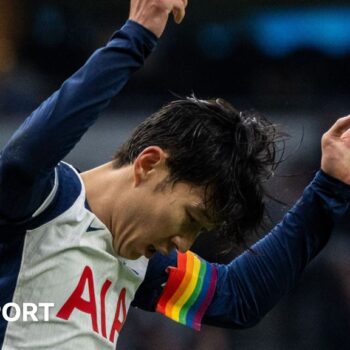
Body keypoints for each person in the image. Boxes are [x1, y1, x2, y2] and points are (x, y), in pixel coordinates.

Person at [0, 0, 349, 348]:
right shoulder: (40, 201)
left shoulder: (139, 261)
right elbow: (23, 157)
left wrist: (330, 187)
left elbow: (239, 297)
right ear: (149, 164)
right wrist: (137, 37)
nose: (184, 243)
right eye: (191, 218)